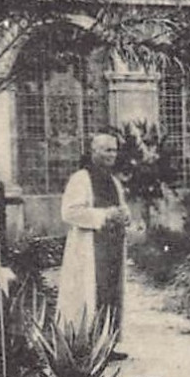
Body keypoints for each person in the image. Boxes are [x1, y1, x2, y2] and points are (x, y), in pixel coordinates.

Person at [56, 131, 132, 358]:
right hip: (89, 249)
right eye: (107, 150)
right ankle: (84, 346)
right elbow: (69, 213)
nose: (112, 155)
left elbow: (121, 206)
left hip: (112, 248)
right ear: (94, 151)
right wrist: (104, 216)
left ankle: (106, 344)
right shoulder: (81, 178)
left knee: (111, 294)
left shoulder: (113, 181)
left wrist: (124, 214)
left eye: (115, 150)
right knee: (89, 295)